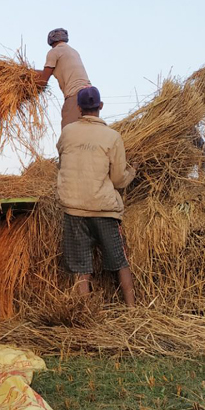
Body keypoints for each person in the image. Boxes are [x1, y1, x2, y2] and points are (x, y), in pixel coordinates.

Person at [55, 87, 136, 306]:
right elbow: (118, 179)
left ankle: (86, 311)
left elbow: (62, 162)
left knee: (81, 266)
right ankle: (133, 310)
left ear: (79, 108)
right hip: (103, 208)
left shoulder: (67, 132)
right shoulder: (112, 137)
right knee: (120, 260)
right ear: (100, 106)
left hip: (73, 208)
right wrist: (132, 173)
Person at [36, 28, 92, 129]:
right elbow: (51, 71)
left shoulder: (54, 52)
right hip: (91, 95)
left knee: (69, 133)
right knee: (88, 132)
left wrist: (26, 86)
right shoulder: (73, 51)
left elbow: (43, 81)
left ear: (50, 40)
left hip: (75, 95)